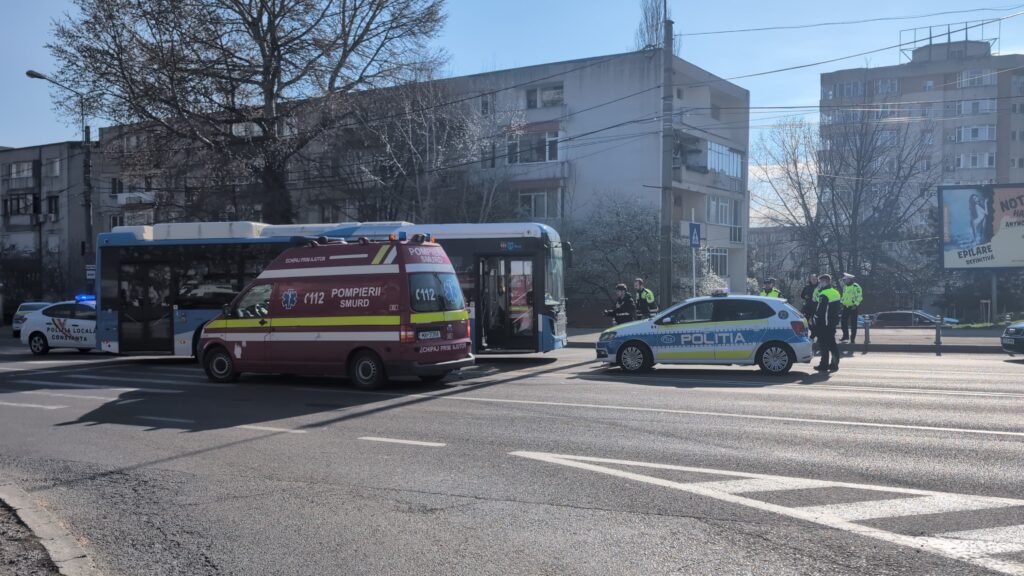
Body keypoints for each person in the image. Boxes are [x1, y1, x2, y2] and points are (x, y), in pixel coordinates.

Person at [814, 274, 842, 372]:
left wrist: (815, 318)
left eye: (820, 282)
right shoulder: (836, 292)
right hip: (832, 322)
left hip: (824, 324)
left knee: (823, 345)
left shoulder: (824, 294)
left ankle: (823, 365)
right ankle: (834, 364)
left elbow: (821, 310)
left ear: (825, 282)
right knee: (832, 344)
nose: (819, 284)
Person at [839, 273, 864, 344]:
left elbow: (859, 297)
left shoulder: (856, 286)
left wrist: (855, 304)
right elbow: (844, 296)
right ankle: (845, 336)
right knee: (843, 322)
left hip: (853, 307)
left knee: (853, 323)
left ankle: (852, 338)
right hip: (845, 307)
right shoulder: (845, 287)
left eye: (845, 279)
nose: (844, 281)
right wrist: (842, 302)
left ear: (849, 279)